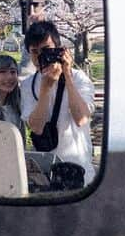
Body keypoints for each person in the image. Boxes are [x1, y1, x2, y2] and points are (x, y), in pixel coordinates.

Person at [20, 20, 96, 186]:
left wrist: (67, 76)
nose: (41, 57)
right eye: (35, 52)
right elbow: (36, 128)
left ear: (59, 49)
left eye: (46, 50)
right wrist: (45, 89)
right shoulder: (28, 85)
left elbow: (82, 119)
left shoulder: (78, 78)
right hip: (46, 171)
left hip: (78, 168)